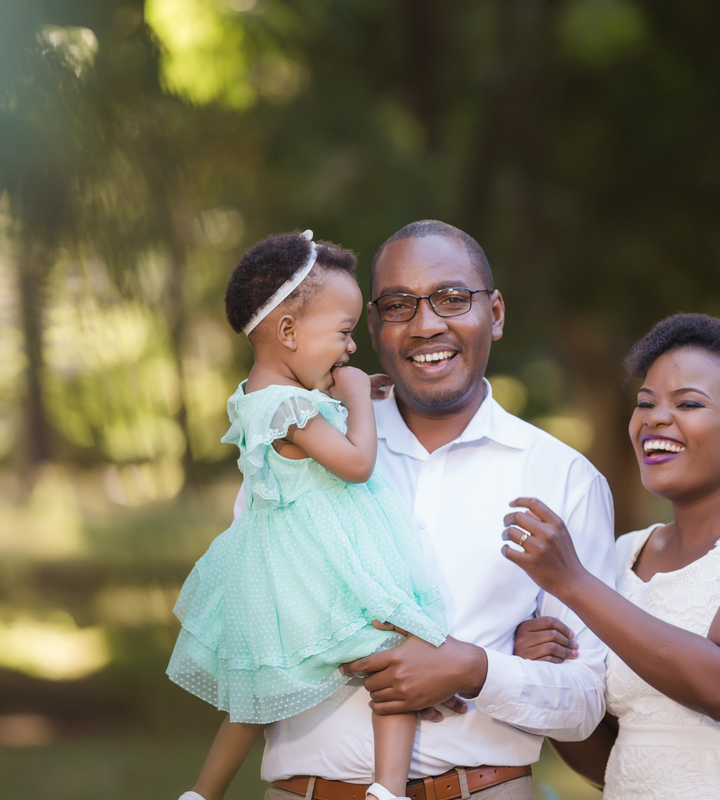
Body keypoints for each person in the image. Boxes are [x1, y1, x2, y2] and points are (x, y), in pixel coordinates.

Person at [256, 220, 617, 800]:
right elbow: (250, 610)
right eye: (398, 305)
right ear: (372, 326)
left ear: (495, 314)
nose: (426, 325)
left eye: (453, 298)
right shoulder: (297, 446)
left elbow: (584, 701)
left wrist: (475, 670)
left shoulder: (564, 478)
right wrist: (375, 655)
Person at [507, 313, 720, 799]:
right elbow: (615, 755)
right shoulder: (624, 557)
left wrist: (573, 583)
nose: (655, 418)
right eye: (645, 403)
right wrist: (546, 674)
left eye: (687, 403)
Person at [168, 230, 449, 800]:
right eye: (344, 333)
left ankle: (203, 792)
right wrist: (352, 396)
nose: (351, 349)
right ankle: (389, 788)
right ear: (289, 332)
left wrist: (348, 392)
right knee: (395, 654)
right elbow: (355, 463)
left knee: (252, 696)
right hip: (321, 568)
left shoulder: (259, 394)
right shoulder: (290, 406)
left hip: (279, 569)